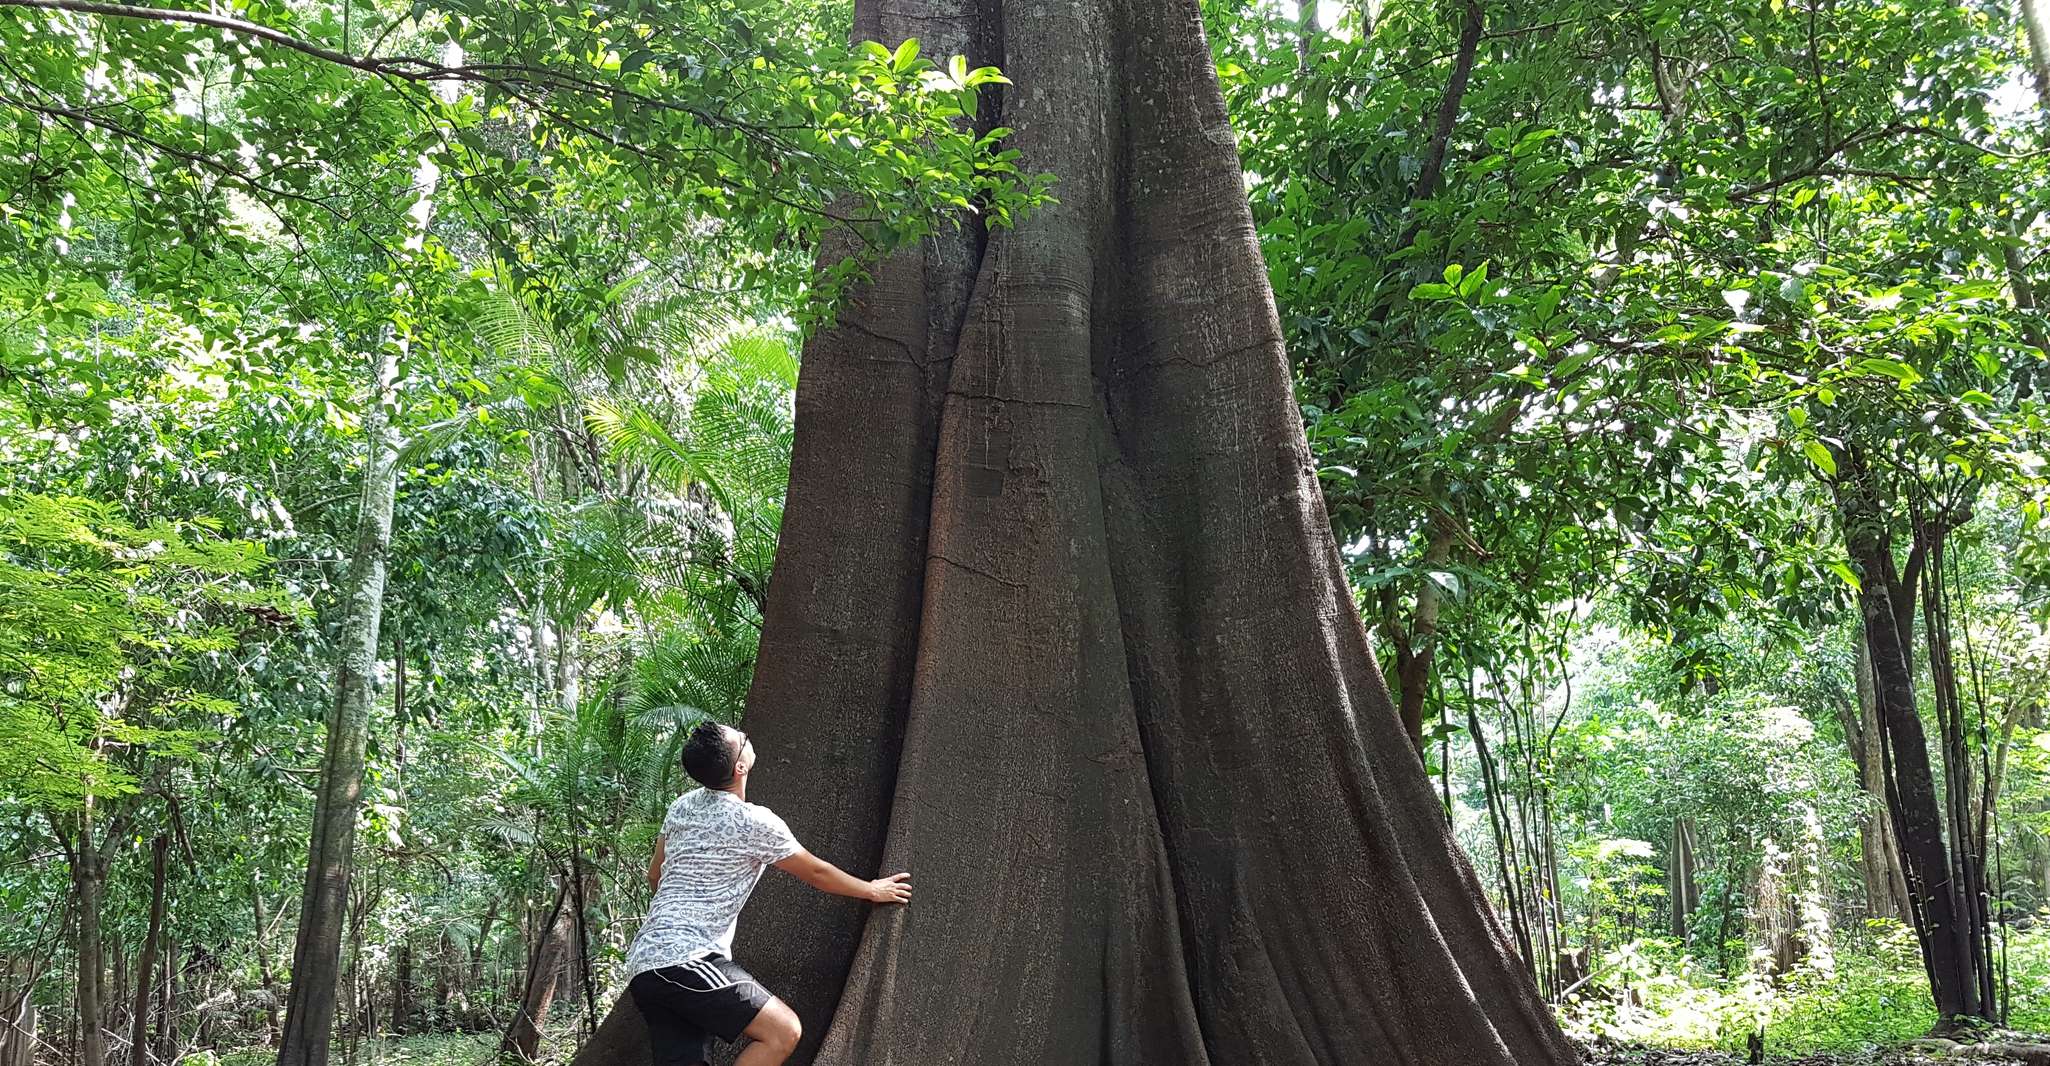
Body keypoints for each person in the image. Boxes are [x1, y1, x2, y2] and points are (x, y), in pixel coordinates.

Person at [625, 721, 911, 1066]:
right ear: (740, 766)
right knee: (783, 1031)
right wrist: (872, 889)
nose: (747, 738)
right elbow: (817, 872)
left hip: (644, 963)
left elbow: (655, 874)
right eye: (742, 739)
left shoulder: (683, 806)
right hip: (686, 959)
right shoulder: (754, 822)